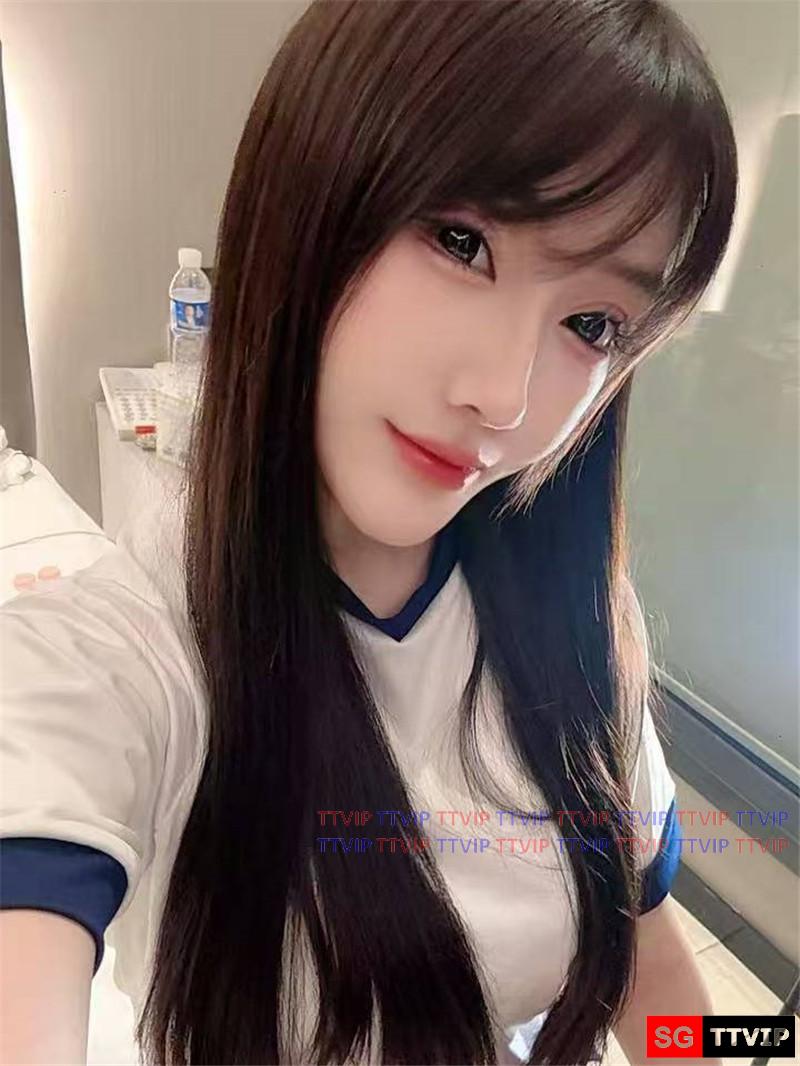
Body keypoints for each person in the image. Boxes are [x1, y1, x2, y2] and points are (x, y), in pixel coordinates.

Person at [0, 0, 738, 1062]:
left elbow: (651, 963)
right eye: (462, 243)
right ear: (309, 196)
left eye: (591, 325)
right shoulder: (114, 660)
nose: (502, 394)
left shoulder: (580, 623)